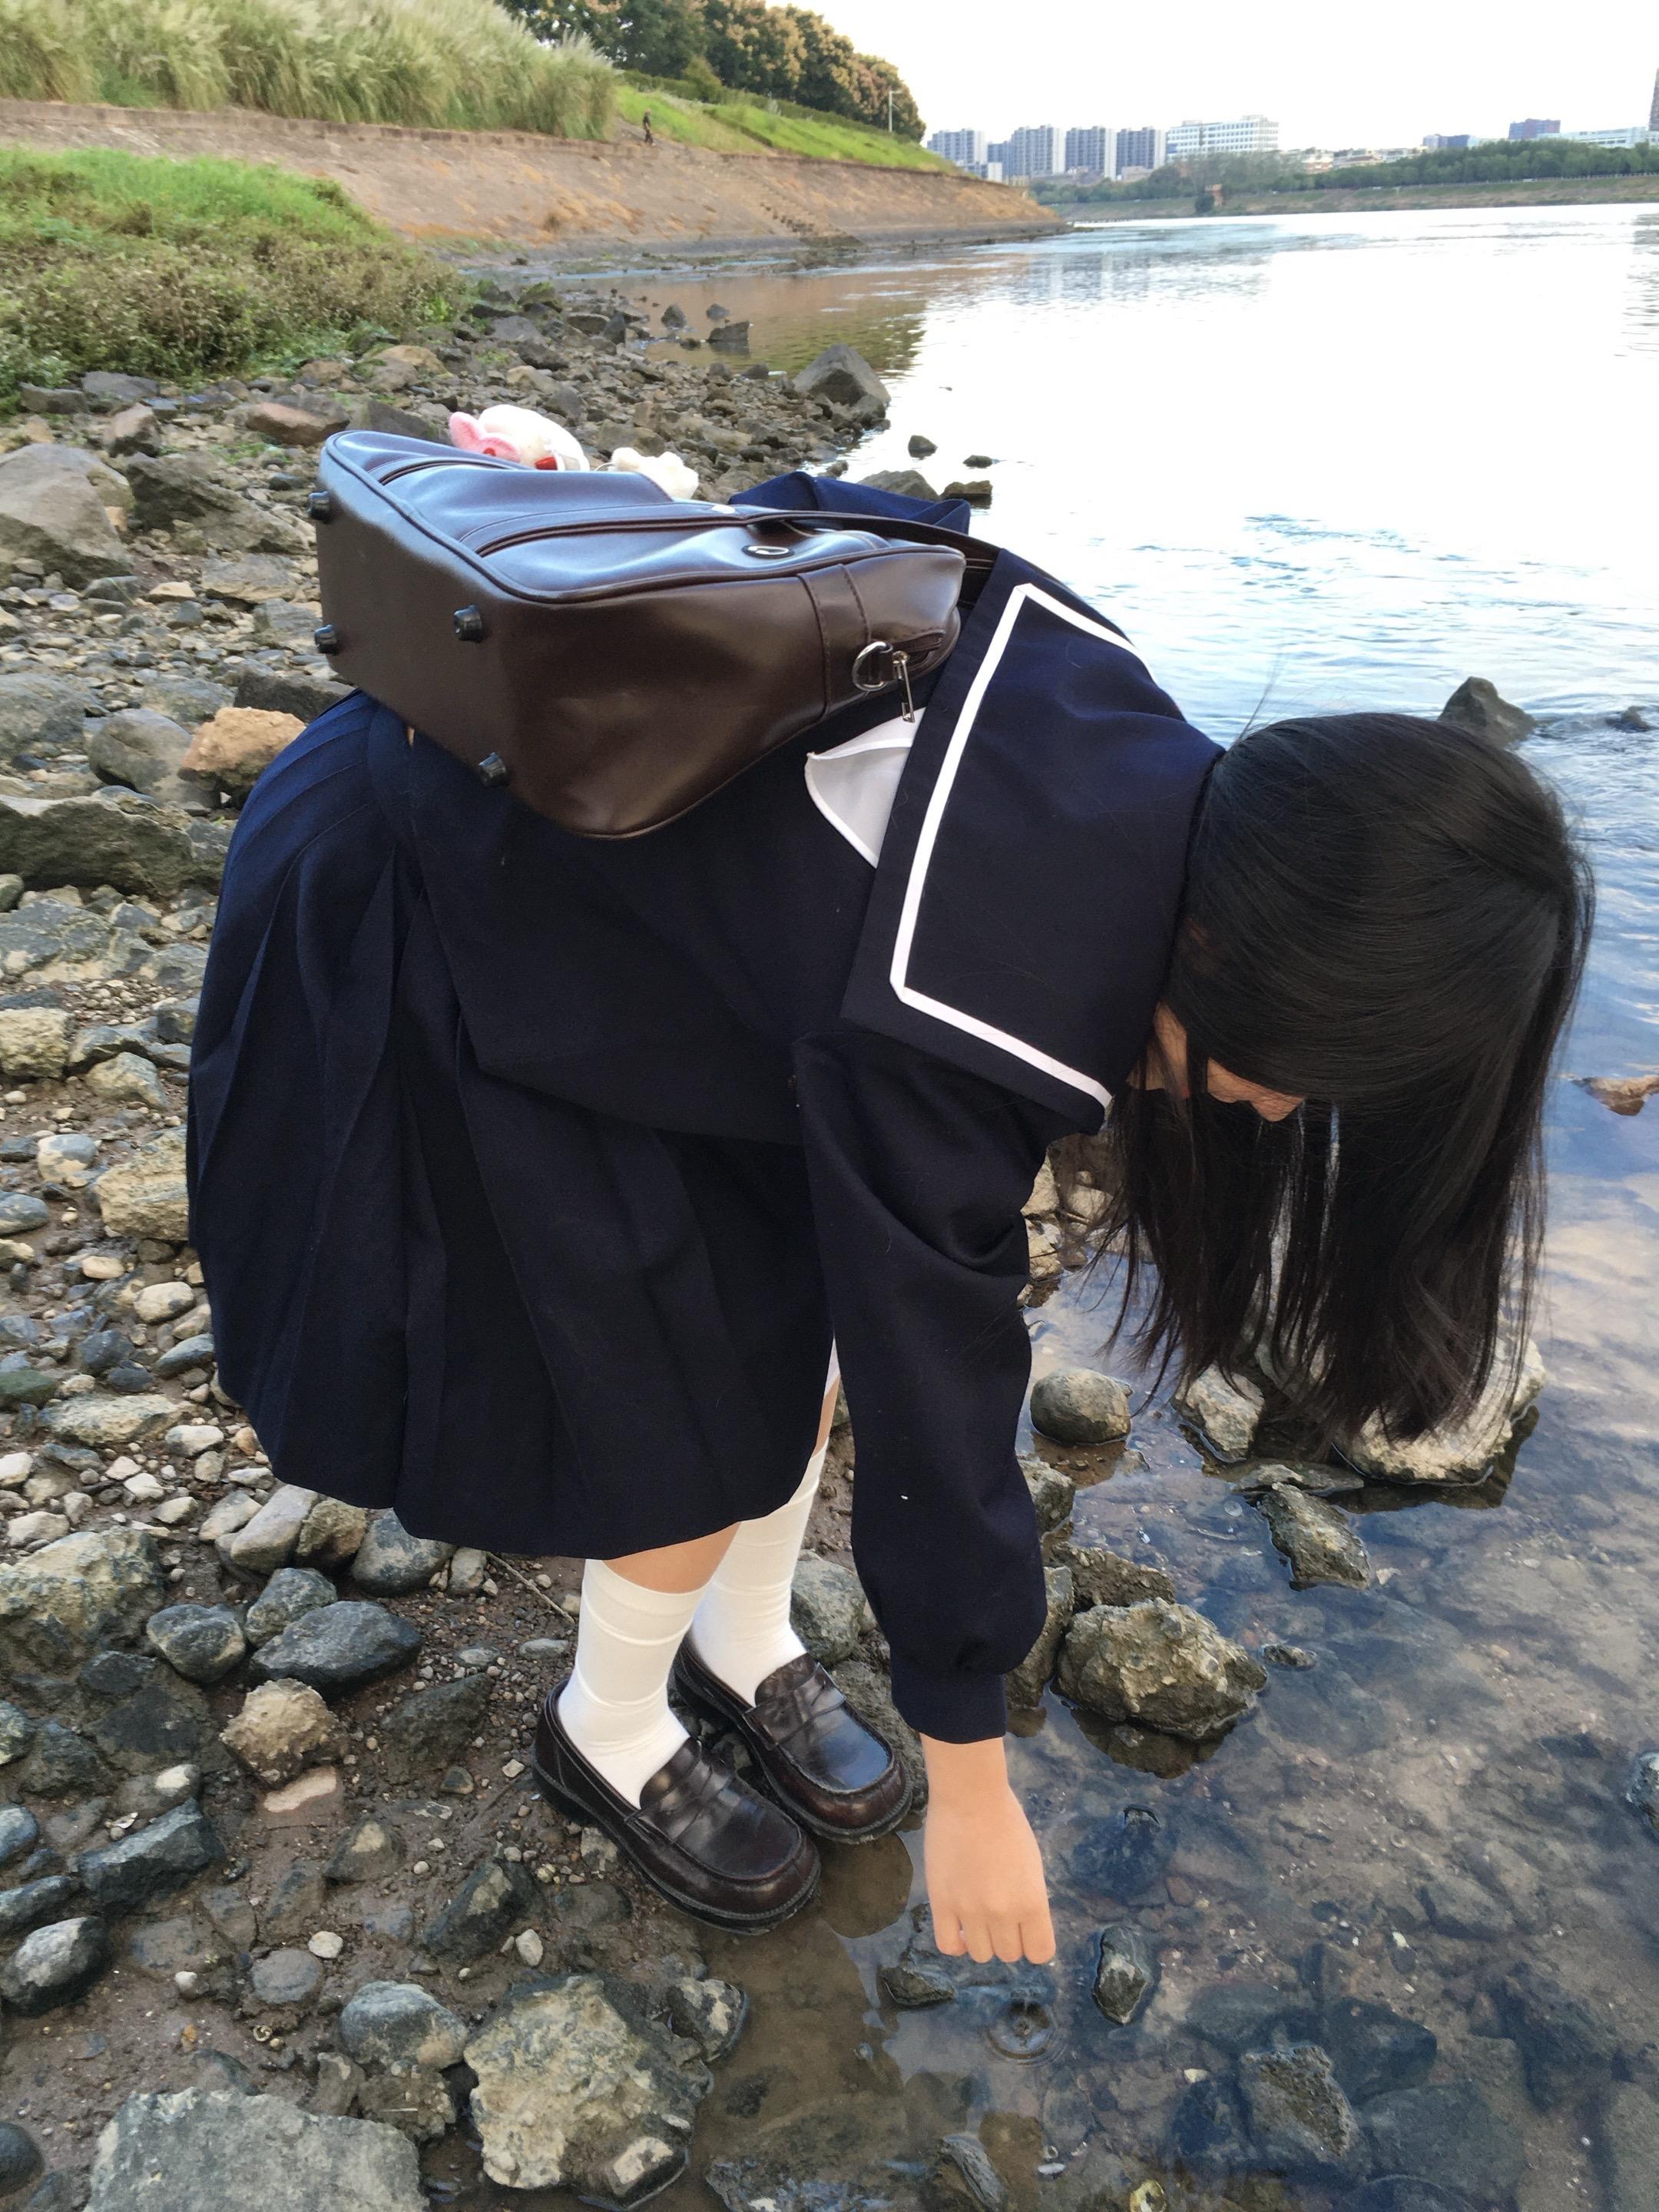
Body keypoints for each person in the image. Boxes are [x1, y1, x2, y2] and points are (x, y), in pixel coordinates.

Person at [187, 472, 1591, 1966]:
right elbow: (940, 1391)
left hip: (651, 933)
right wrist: (973, 1780)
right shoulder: (980, 1003)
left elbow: (818, 507)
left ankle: (741, 1642)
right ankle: (606, 1726)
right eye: (1304, 1074)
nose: (1283, 1112)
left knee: (789, 1339)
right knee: (683, 1418)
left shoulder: (1123, 722)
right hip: (437, 891)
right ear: (1241, 953)